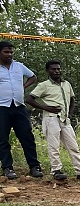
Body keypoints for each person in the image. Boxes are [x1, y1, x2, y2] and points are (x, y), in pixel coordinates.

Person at [25, 60, 80, 181]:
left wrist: (69, 114)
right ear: (48, 71)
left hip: (65, 119)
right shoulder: (44, 85)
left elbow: (72, 100)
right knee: (54, 146)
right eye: (53, 69)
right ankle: (56, 170)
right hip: (51, 118)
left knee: (73, 145)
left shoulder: (66, 84)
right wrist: (45, 107)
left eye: (58, 69)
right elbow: (29, 99)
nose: (56, 71)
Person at [0, 41, 43, 180]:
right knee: (2, 139)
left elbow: (33, 77)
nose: (10, 54)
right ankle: (7, 168)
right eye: (6, 52)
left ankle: (34, 166)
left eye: (11, 52)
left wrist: (23, 86)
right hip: (2, 108)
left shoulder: (19, 66)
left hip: (19, 107)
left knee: (27, 136)